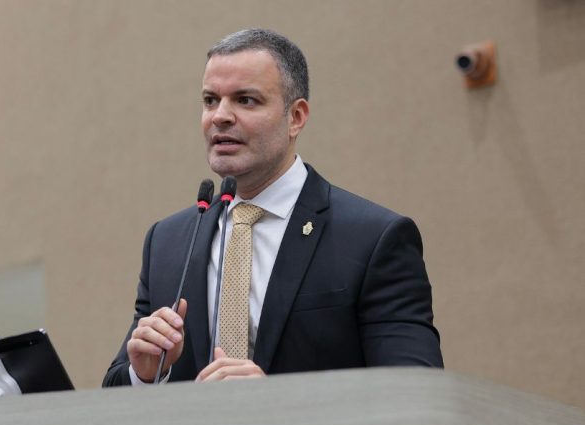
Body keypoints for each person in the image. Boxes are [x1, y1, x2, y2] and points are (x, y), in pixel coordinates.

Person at [103, 29, 442, 387]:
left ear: (296, 117)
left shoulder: (372, 239)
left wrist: (281, 403)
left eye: (245, 100)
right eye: (210, 100)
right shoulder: (168, 243)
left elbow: (415, 390)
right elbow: (113, 391)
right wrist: (145, 374)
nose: (220, 116)